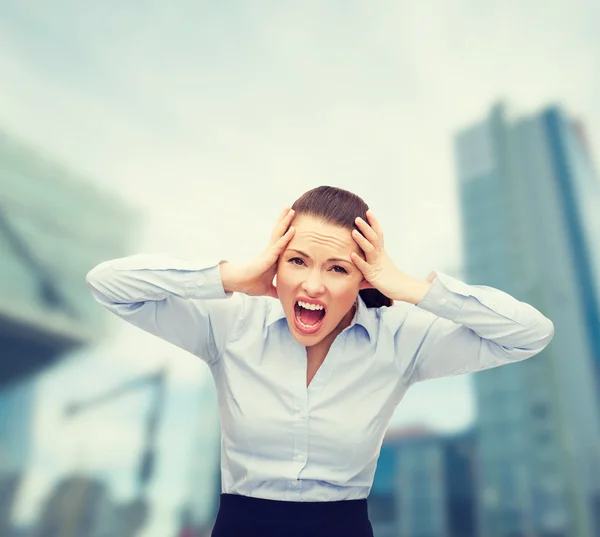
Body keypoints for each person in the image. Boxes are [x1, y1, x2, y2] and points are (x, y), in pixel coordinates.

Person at [86, 186, 554, 537]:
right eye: (297, 261)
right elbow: (108, 285)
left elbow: (529, 334)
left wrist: (410, 287)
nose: (312, 286)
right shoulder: (232, 324)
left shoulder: (401, 341)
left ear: (363, 279)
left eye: (337, 268)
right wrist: (230, 275)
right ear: (276, 263)